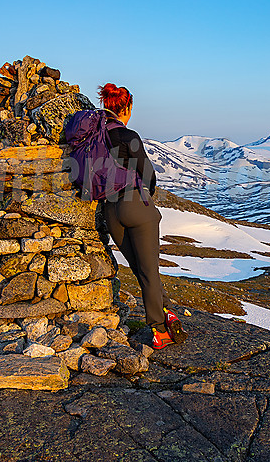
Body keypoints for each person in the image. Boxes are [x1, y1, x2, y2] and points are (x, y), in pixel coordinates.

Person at [98, 83, 187, 350]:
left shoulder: (95, 137)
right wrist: (146, 196)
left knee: (139, 270)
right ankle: (160, 329)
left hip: (109, 210)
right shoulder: (128, 136)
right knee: (149, 271)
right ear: (127, 107)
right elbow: (148, 174)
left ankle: (166, 309)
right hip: (135, 204)